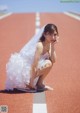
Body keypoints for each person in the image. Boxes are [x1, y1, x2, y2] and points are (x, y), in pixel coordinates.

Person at [5, 23, 59, 91]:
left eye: (55, 34)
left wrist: (53, 46)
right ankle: (29, 83)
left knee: (50, 62)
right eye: (50, 34)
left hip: (34, 71)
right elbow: (34, 65)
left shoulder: (50, 45)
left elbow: (54, 60)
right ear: (44, 34)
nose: (53, 37)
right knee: (48, 63)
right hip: (27, 73)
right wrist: (31, 83)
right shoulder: (40, 45)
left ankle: (39, 84)